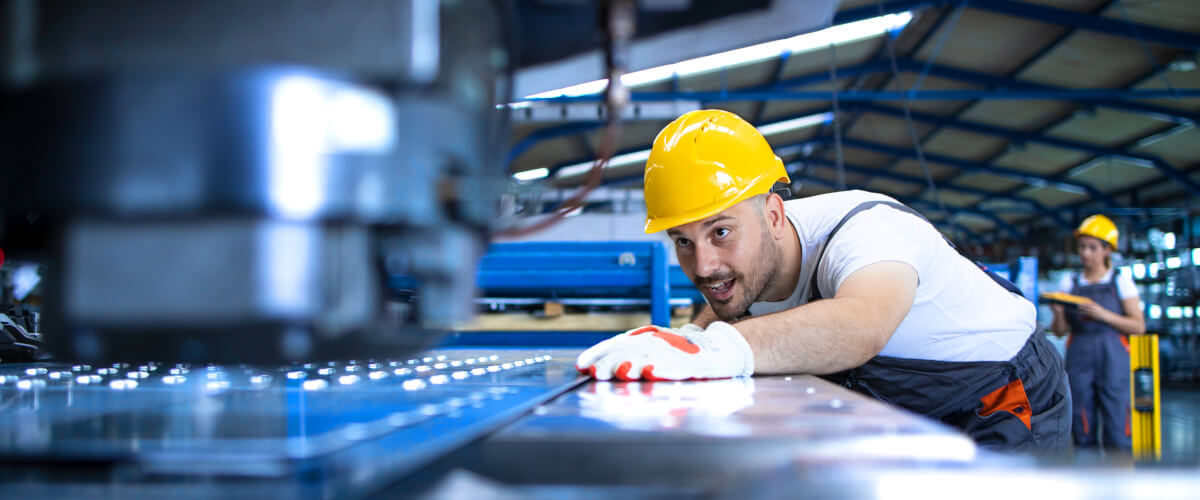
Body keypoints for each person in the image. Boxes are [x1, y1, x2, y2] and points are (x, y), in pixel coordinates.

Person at [576, 109, 1071, 454]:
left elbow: (862, 324)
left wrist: (719, 348)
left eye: (720, 232)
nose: (703, 265)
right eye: (683, 241)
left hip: (1004, 396)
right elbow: (727, 305)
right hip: (910, 408)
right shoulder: (749, 265)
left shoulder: (869, 231)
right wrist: (689, 340)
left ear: (773, 215)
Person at [1050, 215, 1145, 452]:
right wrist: (1059, 312)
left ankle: (1121, 482)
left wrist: (1102, 314)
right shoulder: (1068, 282)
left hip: (1113, 360)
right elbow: (1059, 332)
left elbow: (1138, 326)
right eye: (1082, 247)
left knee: (1117, 427)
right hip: (1079, 359)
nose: (1085, 253)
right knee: (1082, 427)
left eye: (1092, 247)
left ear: (1107, 250)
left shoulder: (1121, 282)